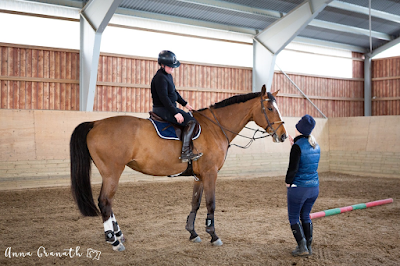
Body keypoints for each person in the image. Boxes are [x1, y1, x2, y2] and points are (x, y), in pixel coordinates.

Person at [151, 50, 202, 163]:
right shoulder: (160, 78)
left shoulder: (167, 76)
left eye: (173, 67)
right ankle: (185, 152)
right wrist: (175, 112)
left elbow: (174, 93)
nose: (172, 69)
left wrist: (185, 104)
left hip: (168, 107)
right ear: (162, 65)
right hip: (162, 109)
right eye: (170, 67)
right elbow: (164, 98)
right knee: (191, 121)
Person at [285, 114, 320, 256]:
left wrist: (288, 183)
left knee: (293, 217)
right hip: (314, 187)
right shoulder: (315, 145)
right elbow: (307, 162)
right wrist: (295, 146)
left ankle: (302, 247)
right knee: (305, 215)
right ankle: (308, 246)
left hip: (299, 188)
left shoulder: (297, 148)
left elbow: (293, 168)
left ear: (299, 129)